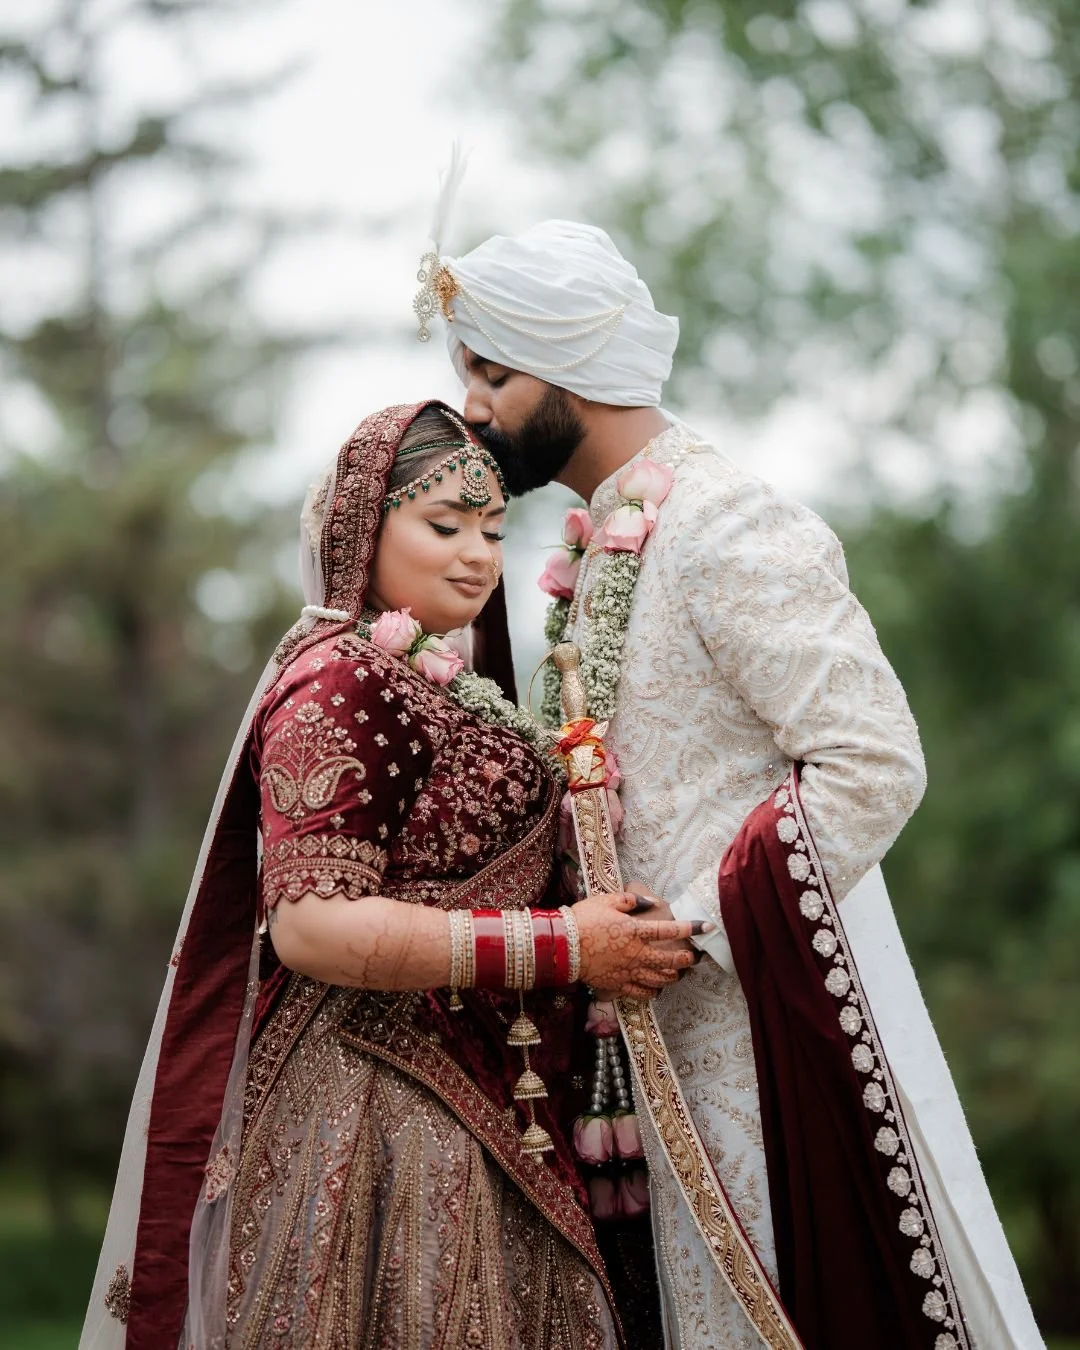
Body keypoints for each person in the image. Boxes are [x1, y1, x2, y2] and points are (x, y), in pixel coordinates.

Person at [417, 221, 1046, 1349]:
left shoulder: (722, 520)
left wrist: (691, 929)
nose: (472, 408)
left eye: (492, 374)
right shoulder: (603, 543)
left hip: (770, 1043)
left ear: (570, 368)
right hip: (646, 1060)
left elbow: (873, 758)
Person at [79, 399, 704, 1350]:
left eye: (493, 530)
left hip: (485, 1090)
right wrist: (565, 946)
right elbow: (313, 929)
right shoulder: (344, 677)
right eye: (442, 524)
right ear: (361, 527)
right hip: (374, 1105)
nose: (476, 554)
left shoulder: (427, 676)